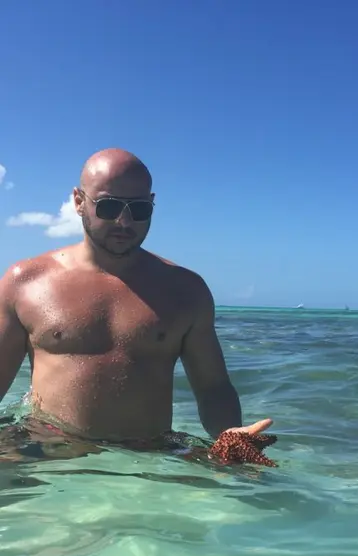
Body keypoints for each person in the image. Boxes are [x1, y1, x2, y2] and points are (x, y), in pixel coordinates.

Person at [0, 148, 272, 461]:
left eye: (139, 209)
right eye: (109, 206)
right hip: (48, 447)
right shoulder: (27, 282)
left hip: (147, 454)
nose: (124, 220)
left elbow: (213, 387)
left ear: (152, 204)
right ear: (78, 201)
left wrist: (230, 435)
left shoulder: (186, 291)